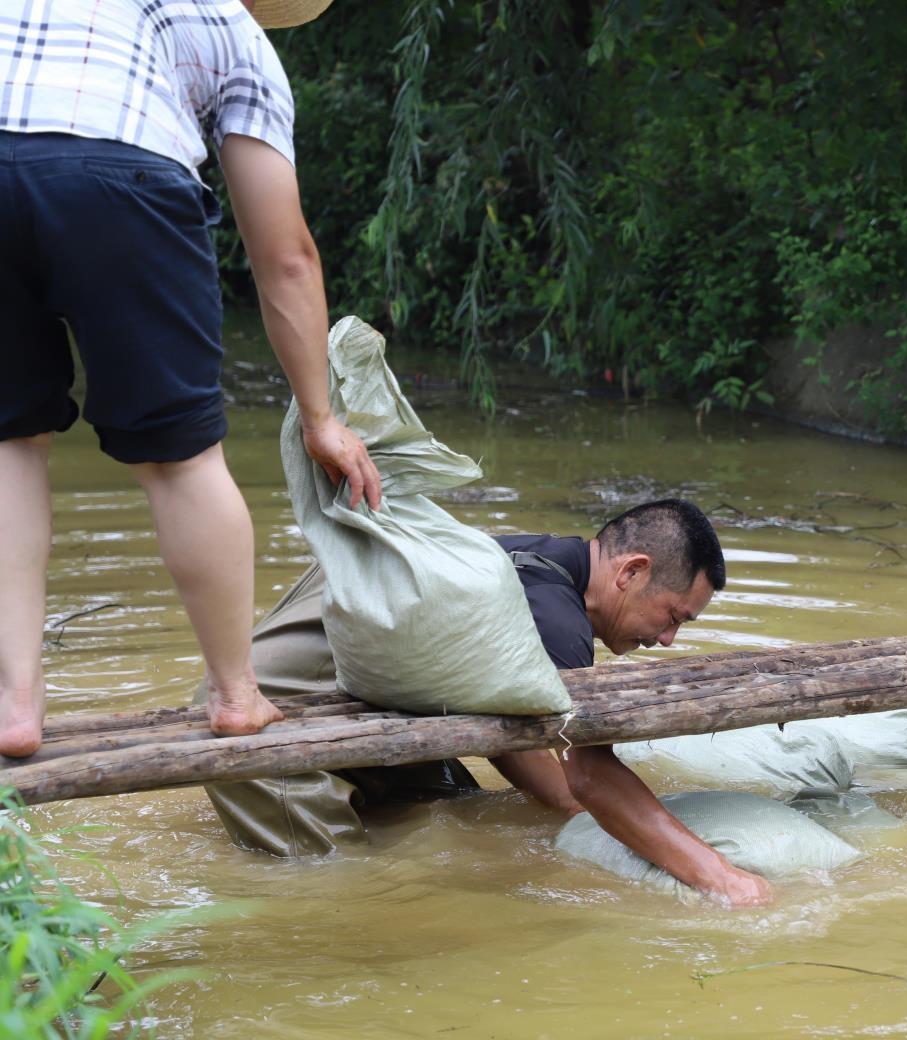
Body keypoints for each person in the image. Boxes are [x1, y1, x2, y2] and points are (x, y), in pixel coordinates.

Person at [0, 0, 382, 759]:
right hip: (122, 177)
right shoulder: (228, 26)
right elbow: (286, 256)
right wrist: (319, 416)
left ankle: (14, 705)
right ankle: (237, 695)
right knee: (181, 460)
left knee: (7, 443)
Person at [201, 499, 774, 908]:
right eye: (673, 617)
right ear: (632, 572)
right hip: (273, 743)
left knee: (456, 808)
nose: (669, 640)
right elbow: (592, 773)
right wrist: (723, 879)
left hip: (366, 716)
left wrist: (571, 812)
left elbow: (512, 728)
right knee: (349, 897)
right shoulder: (557, 617)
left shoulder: (540, 565)